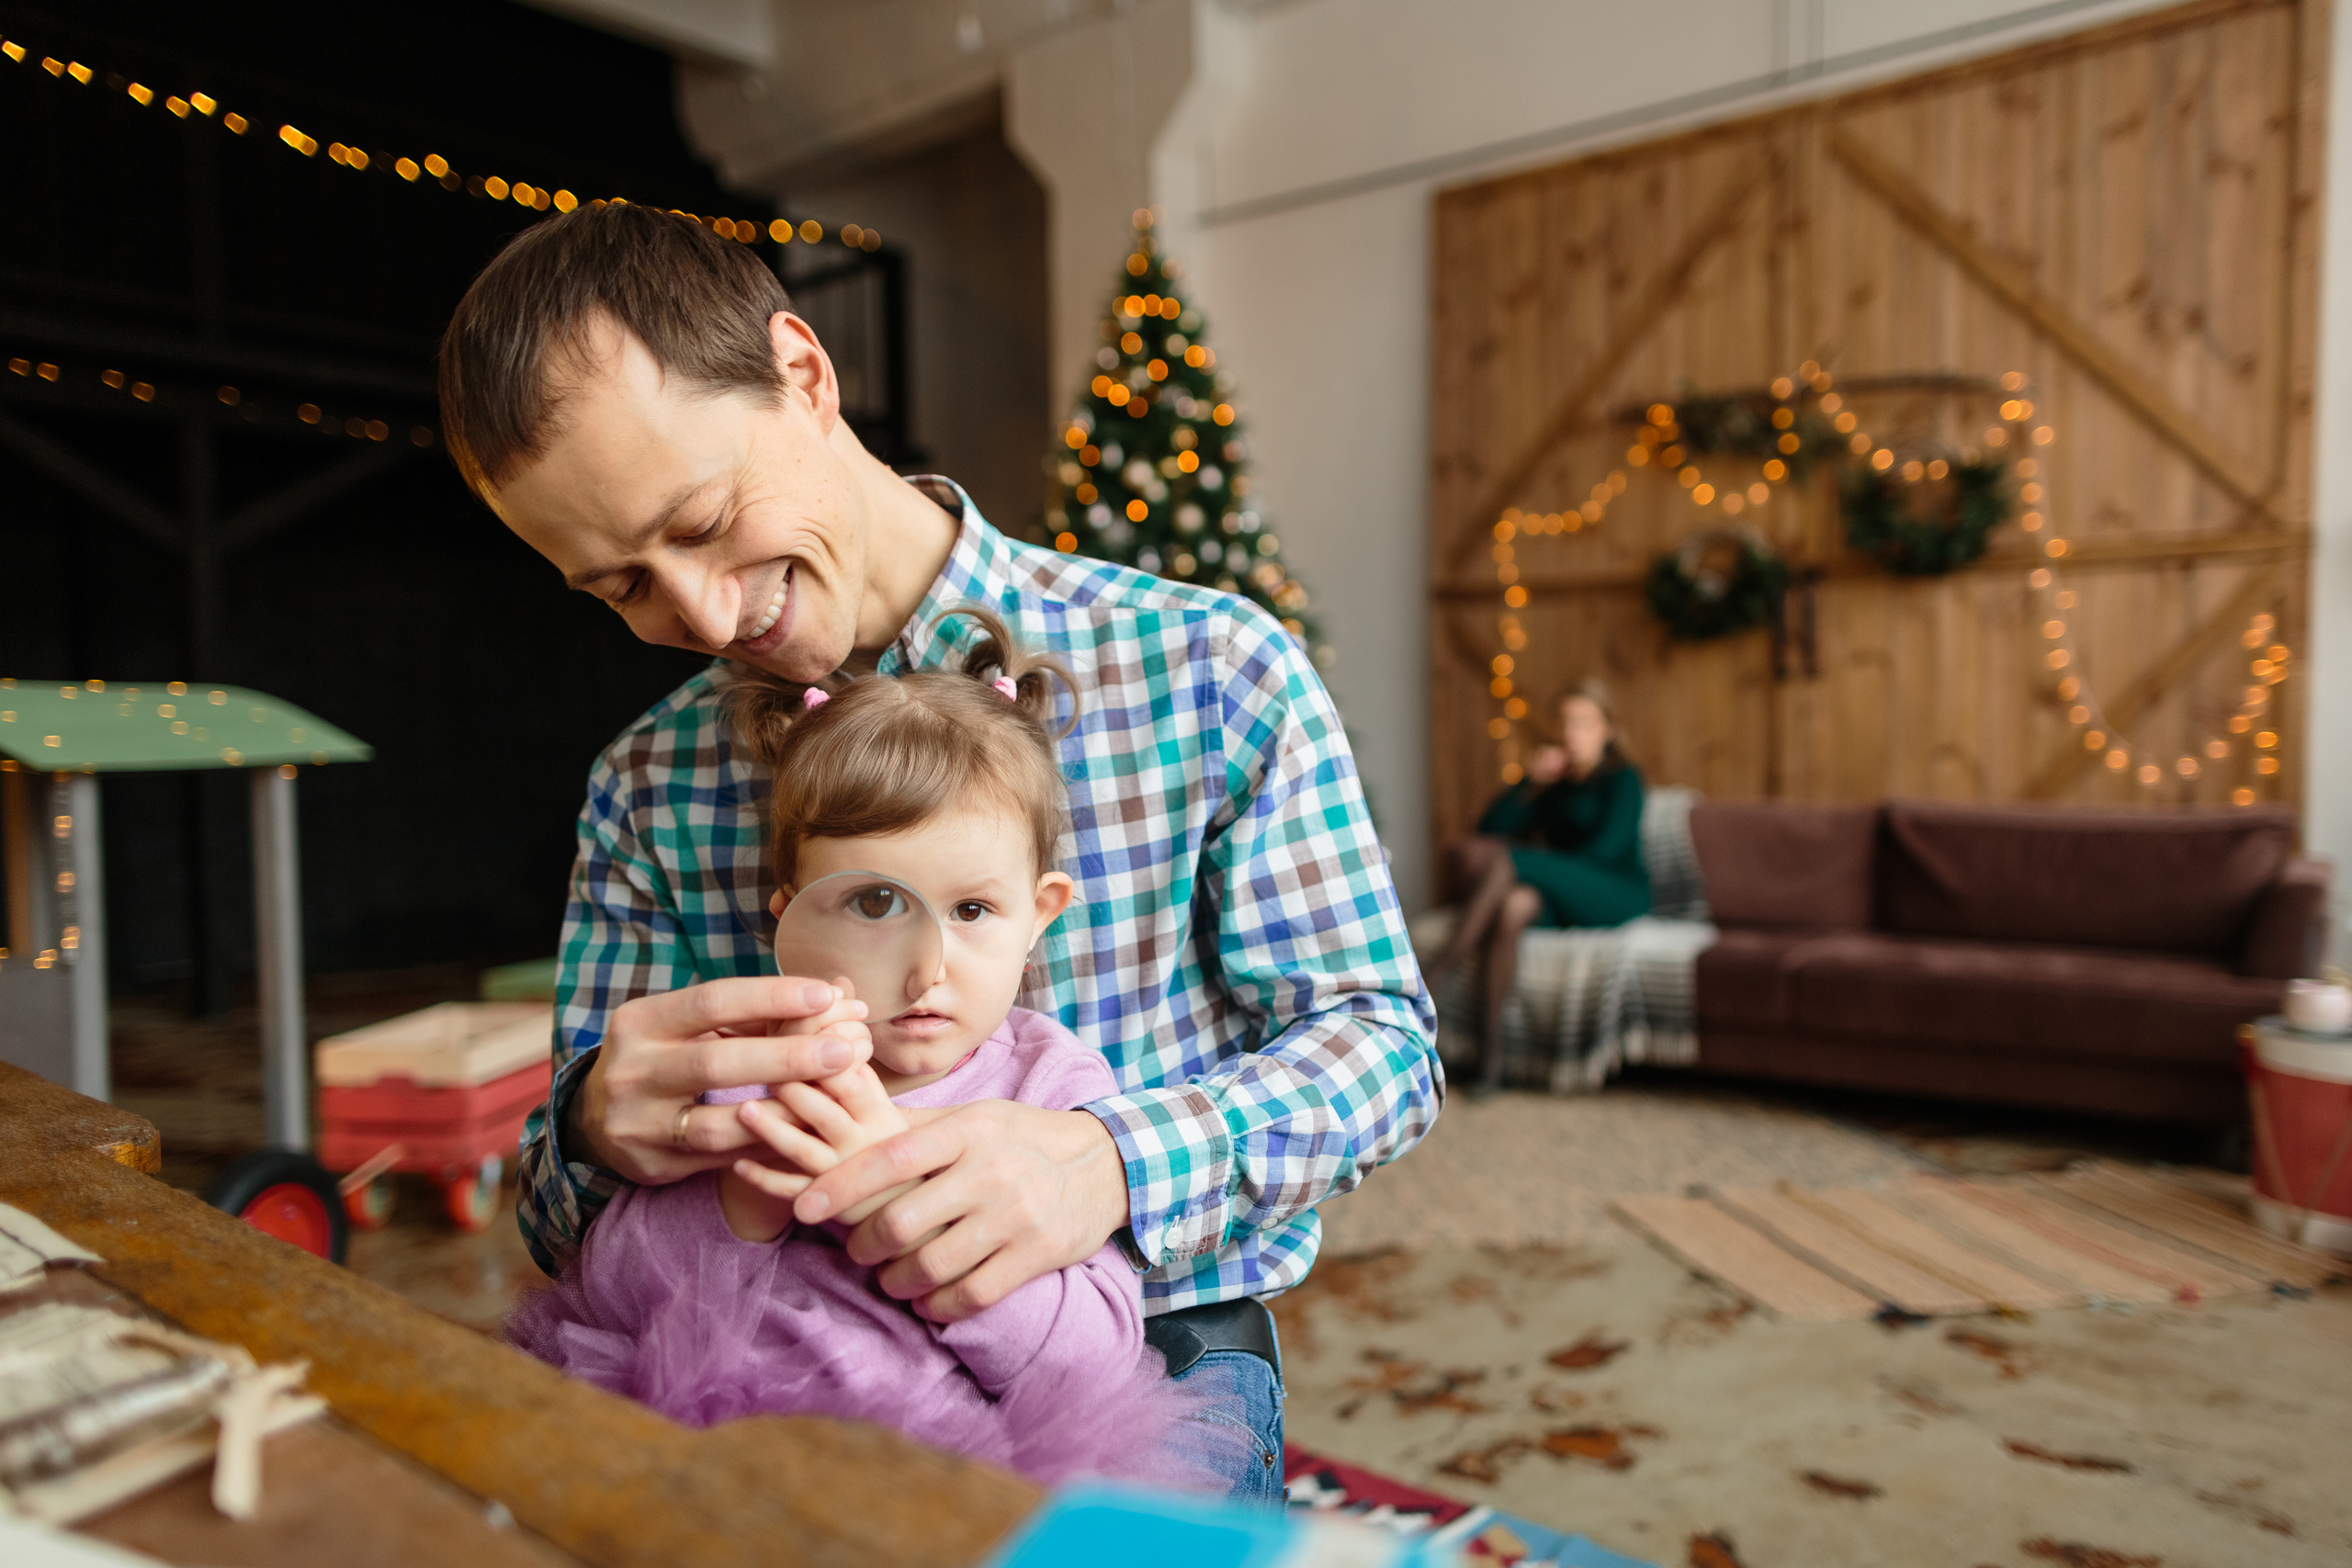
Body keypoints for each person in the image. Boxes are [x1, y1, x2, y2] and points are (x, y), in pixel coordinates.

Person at [435, 203, 1438, 1500]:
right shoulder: (645, 781)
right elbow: (565, 1217)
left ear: (804, 372)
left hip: (1142, 1362)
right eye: (621, 586)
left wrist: (1111, 1162)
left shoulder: (1208, 668)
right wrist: (582, 1125)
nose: (701, 613)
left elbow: (1381, 1041)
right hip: (758, 1360)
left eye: (700, 518)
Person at [508, 611, 1229, 1487]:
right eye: (875, 905)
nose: (927, 971)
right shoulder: (748, 1063)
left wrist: (897, 1193)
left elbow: (1084, 1362)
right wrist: (739, 1203)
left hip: (954, 1469)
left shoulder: (1051, 1083)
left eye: (972, 911)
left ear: (1040, 913)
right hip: (716, 1443)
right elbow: (615, 1296)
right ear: (791, 913)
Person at [1430, 678, 1648, 1096]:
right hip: (1562, 893)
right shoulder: (1557, 786)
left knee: (1510, 861)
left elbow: (1604, 852)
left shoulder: (1623, 779)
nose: (1573, 734)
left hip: (1613, 892)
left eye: (1585, 723)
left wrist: (1534, 865)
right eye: (1566, 723)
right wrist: (1529, 783)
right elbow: (1490, 828)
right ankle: (1492, 1059)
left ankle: (1433, 974)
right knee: (1512, 907)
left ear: (1607, 728)